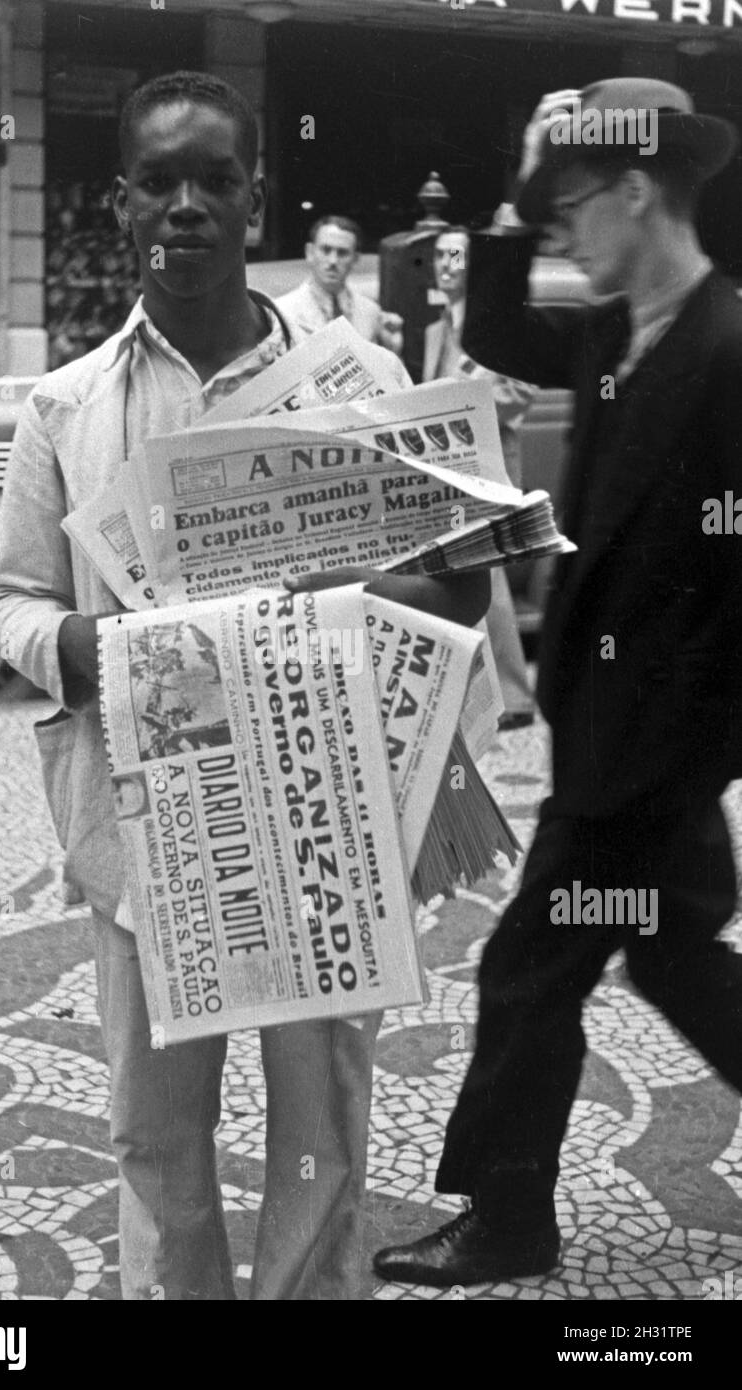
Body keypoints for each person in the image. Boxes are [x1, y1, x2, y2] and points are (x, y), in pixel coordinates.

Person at [0, 70, 488, 1301]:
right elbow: (11, 603)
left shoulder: (362, 392)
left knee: (321, 1139)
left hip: (319, 827)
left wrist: (436, 583)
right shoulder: (67, 406)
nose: (189, 206)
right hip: (148, 843)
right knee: (157, 1142)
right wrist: (99, 651)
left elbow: (458, 600)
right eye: (160, 181)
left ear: (256, 197)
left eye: (216, 179)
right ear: (120, 204)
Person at [373, 76, 742, 1289]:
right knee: (675, 946)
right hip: (614, 735)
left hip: (652, 749)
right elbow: (493, 331)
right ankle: (510, 1213)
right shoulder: (612, 333)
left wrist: (681, 751)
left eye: (574, 203)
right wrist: (524, 179)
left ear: (640, 188)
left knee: (529, 968)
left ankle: (508, 1217)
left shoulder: (729, 348)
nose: (561, 232)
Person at [424, 226, 536, 730]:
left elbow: (519, 393)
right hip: (445, 476)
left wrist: (465, 401)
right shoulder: (434, 330)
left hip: (488, 468)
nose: (446, 266)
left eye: (456, 257)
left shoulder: (494, 328)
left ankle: (514, 697)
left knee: (492, 578)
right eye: (439, 258)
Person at [276, 215, 403, 355]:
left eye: (342, 253)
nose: (333, 261)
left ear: (355, 258)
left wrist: (392, 348)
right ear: (310, 252)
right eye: (325, 250)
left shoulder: (370, 311)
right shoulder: (282, 311)